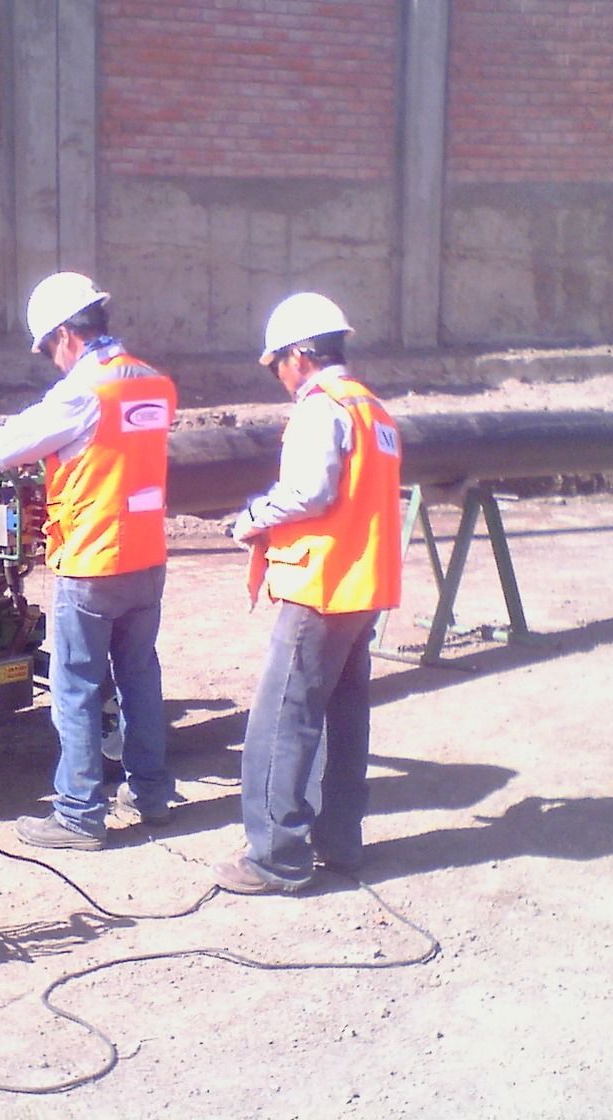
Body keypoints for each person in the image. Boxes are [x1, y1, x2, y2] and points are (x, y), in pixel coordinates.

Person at [0, 271, 177, 849]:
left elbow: (7, 447)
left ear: (65, 335)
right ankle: (151, 794)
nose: (53, 361)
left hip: (93, 561)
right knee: (139, 677)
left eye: (49, 349)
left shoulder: (84, 392)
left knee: (75, 686)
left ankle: (79, 814)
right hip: (146, 556)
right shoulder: (154, 383)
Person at [213, 292, 402, 893]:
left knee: (281, 721)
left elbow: (309, 492)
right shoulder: (373, 409)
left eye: (277, 364)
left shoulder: (322, 409)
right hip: (362, 586)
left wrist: (250, 519)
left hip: (320, 587)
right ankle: (340, 841)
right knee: (344, 718)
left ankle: (276, 856)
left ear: (299, 355)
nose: (279, 376)